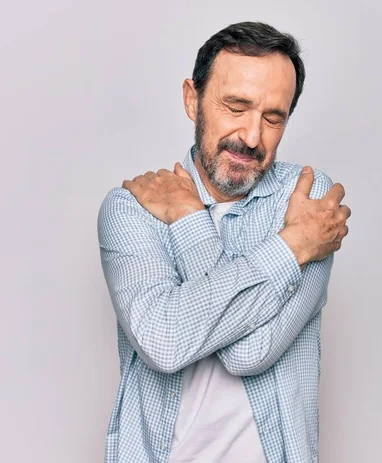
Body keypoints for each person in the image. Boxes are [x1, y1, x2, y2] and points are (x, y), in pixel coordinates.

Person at [97, 21, 351, 463]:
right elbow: (164, 341)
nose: (252, 138)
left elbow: (250, 353)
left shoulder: (309, 202)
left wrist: (190, 221)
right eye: (236, 107)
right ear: (192, 100)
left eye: (274, 118)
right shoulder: (133, 208)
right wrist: (293, 246)